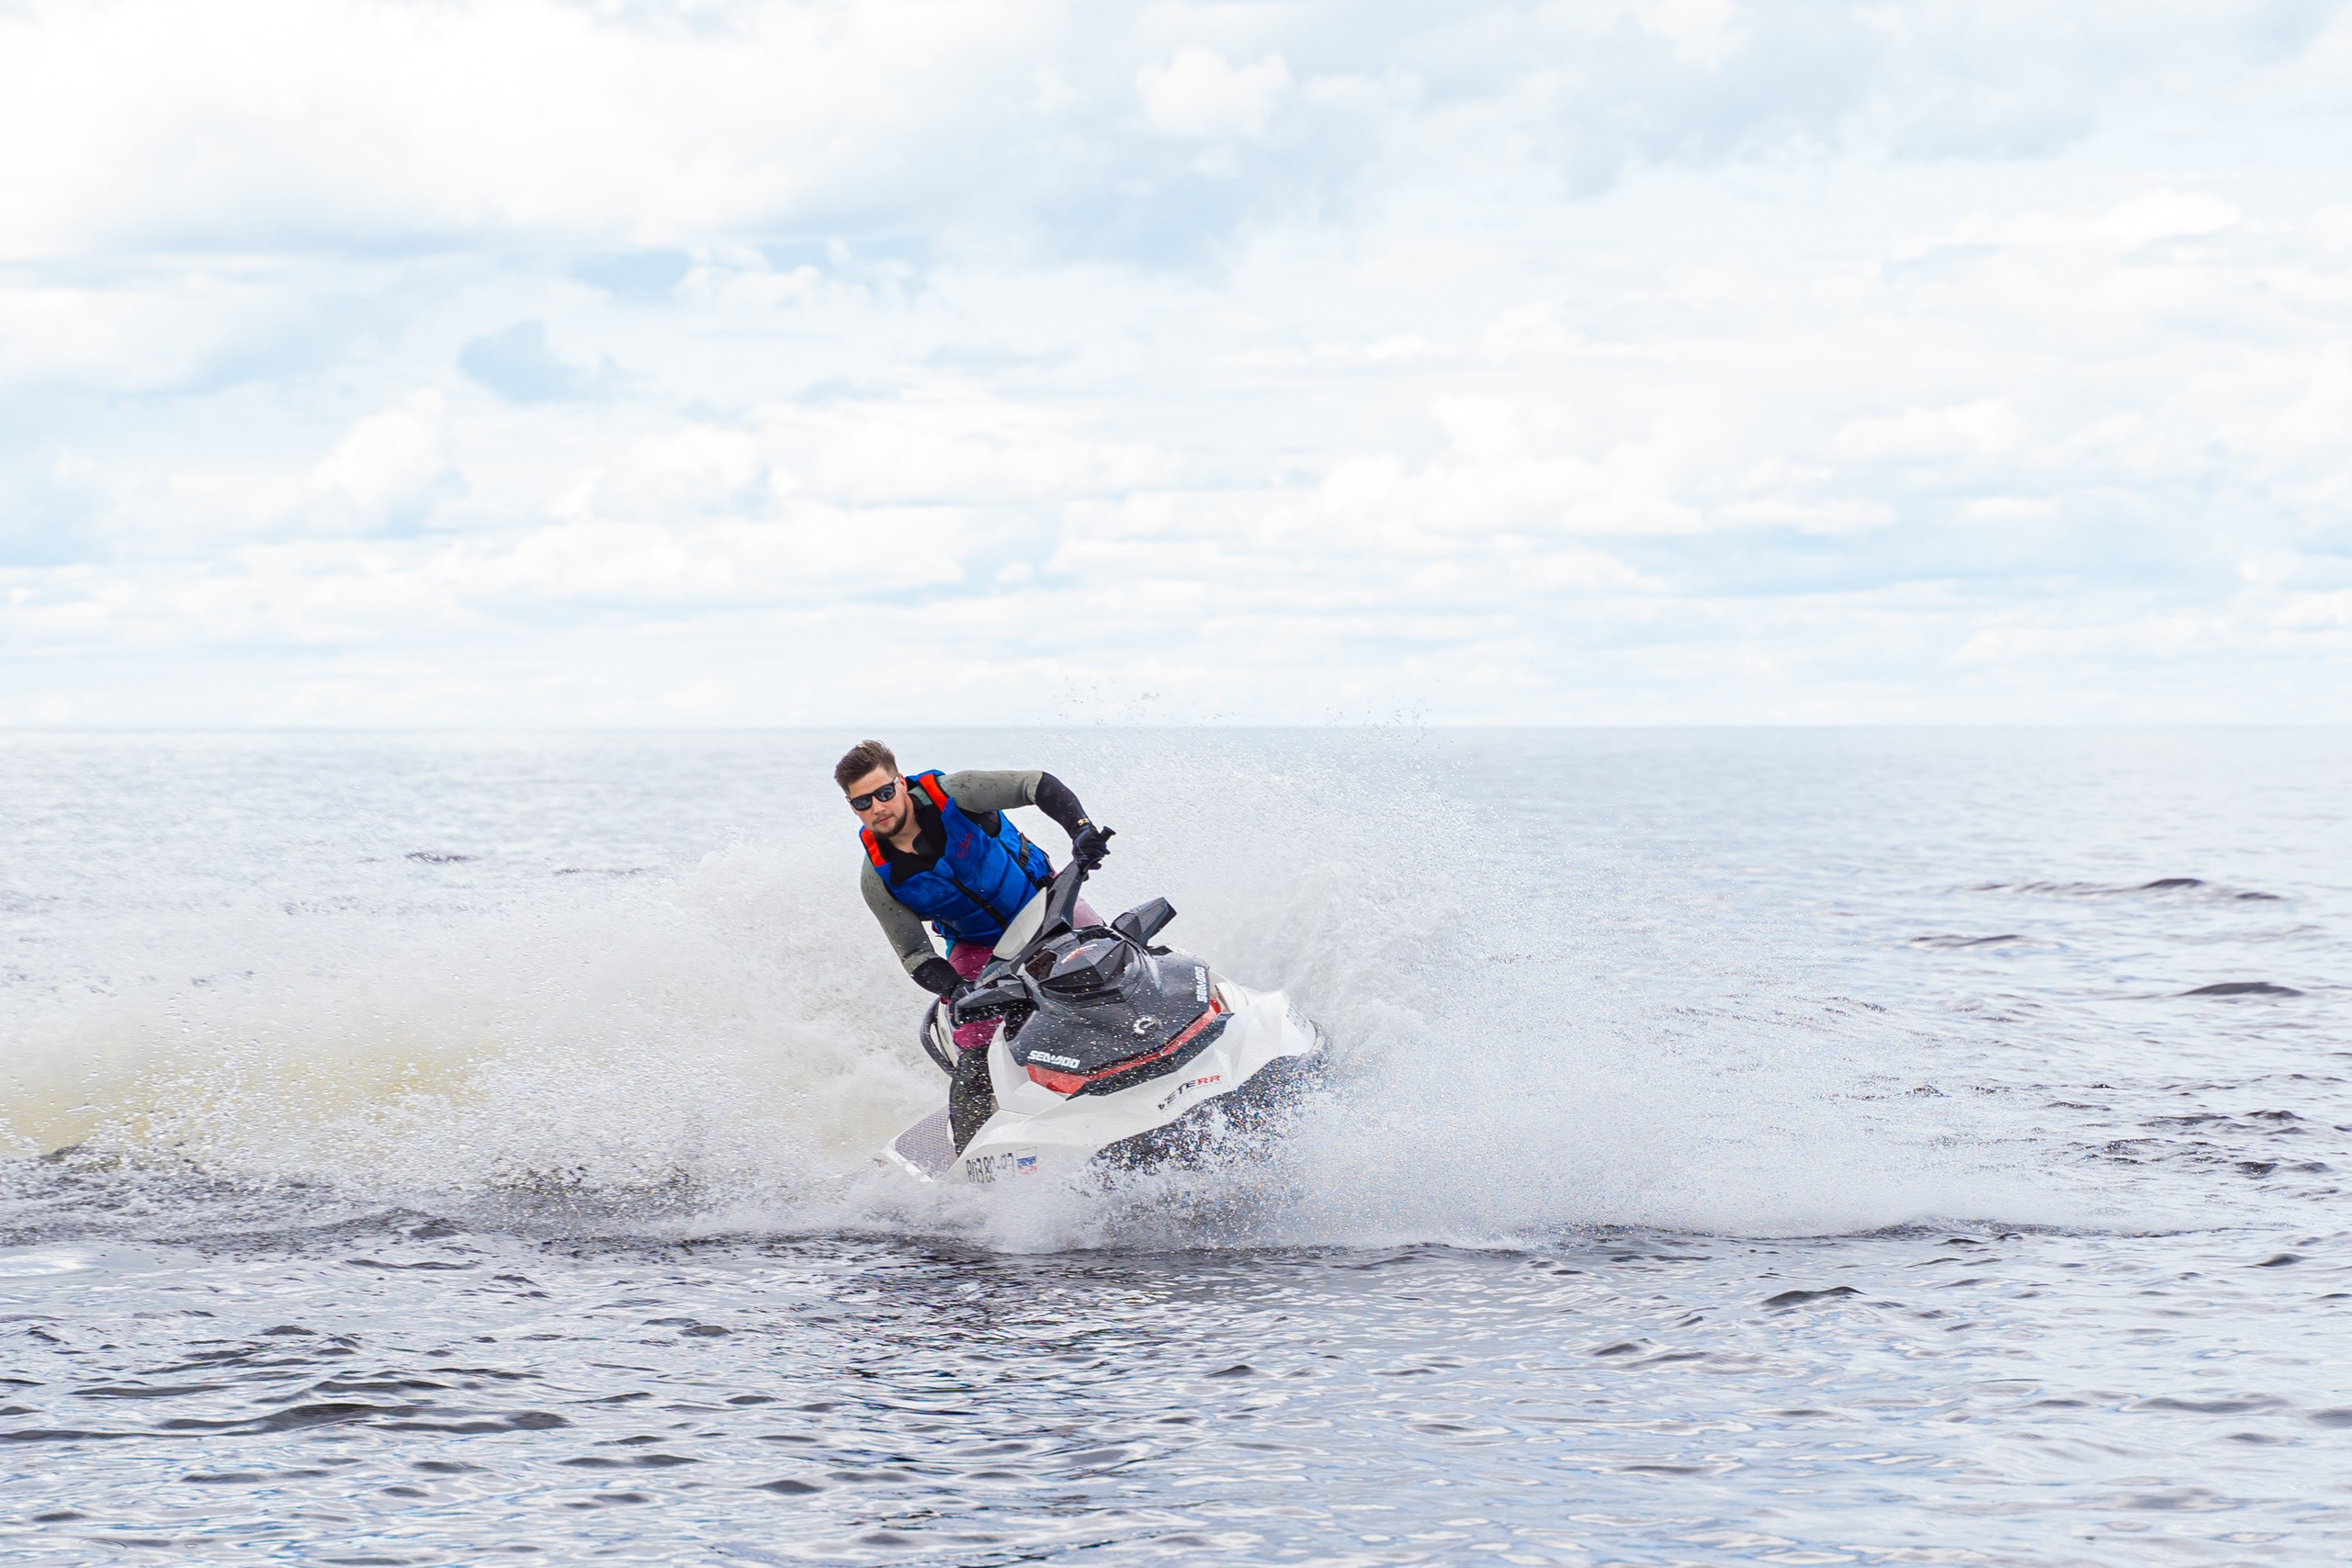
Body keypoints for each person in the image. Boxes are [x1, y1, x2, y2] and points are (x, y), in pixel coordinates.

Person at [835, 739, 1114, 1152]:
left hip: (1047, 906)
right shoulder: (878, 878)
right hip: (980, 948)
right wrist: (956, 990)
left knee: (1111, 965)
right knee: (973, 1038)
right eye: (862, 803)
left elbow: (1036, 785)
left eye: (884, 793)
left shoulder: (958, 793)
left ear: (900, 782)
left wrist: (1081, 830)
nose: (877, 807)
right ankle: (972, 1157)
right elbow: (916, 955)